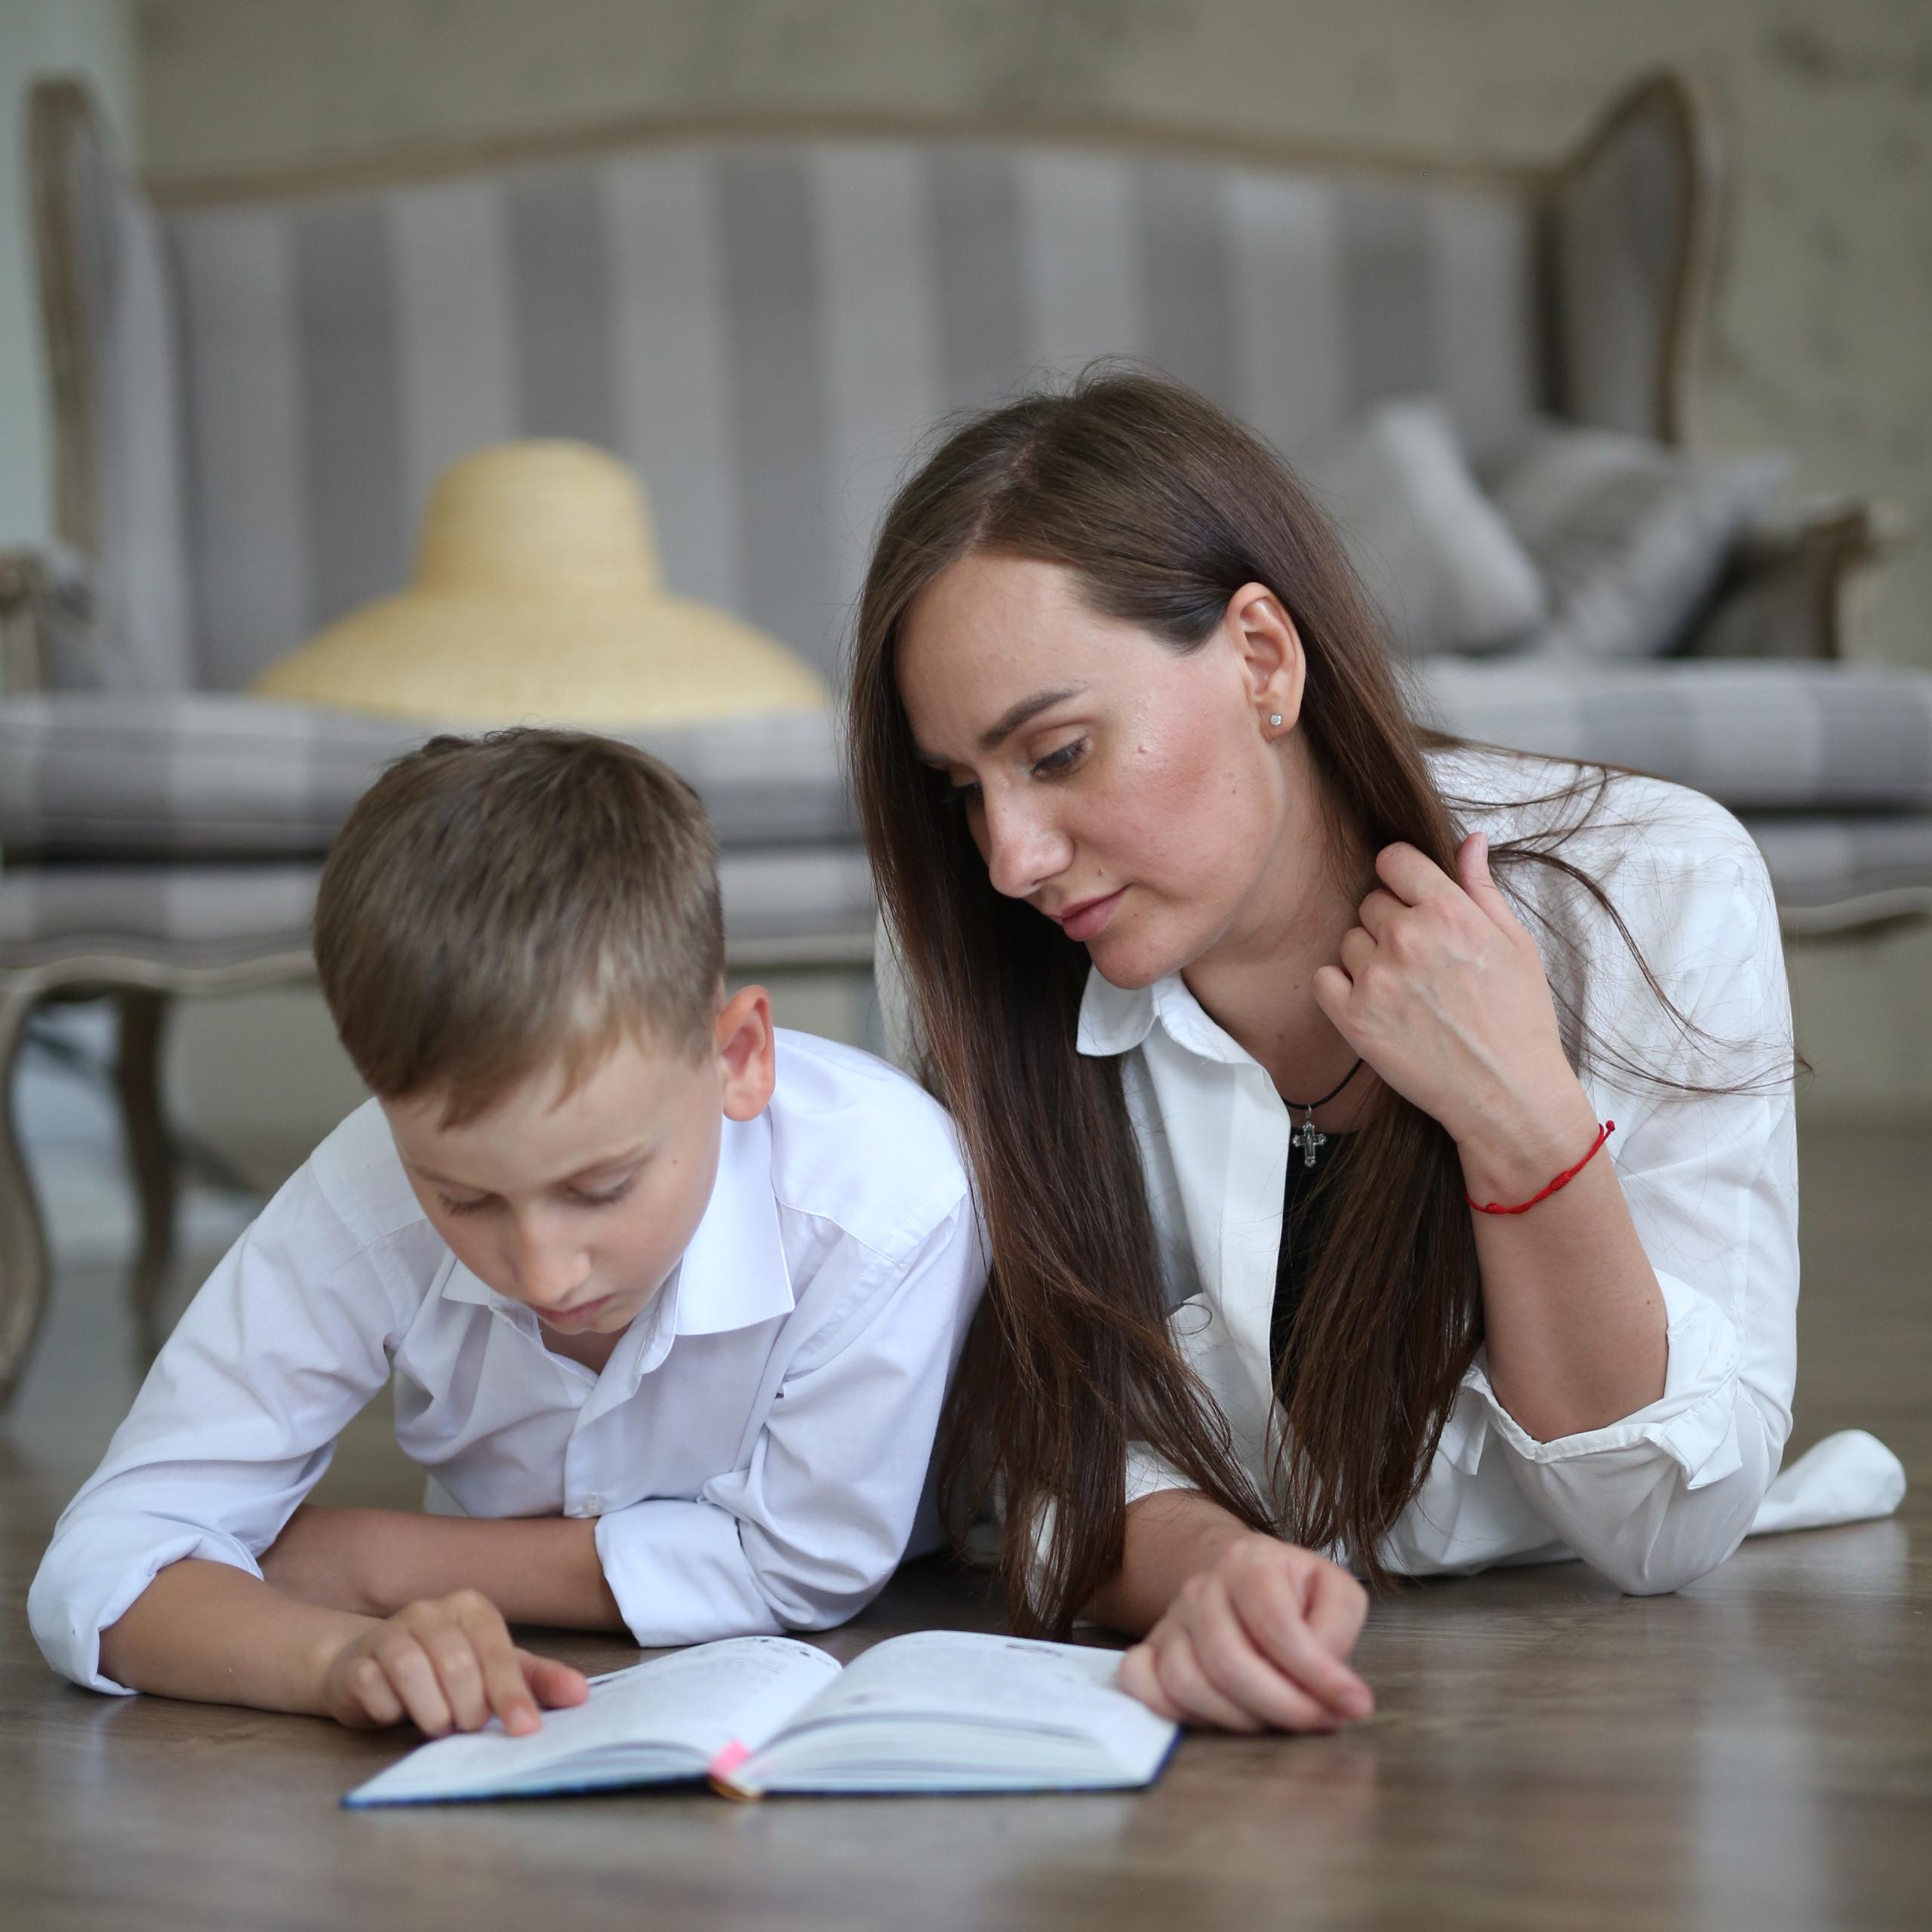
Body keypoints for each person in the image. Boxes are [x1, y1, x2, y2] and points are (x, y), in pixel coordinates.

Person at [848, 368, 1882, 1737]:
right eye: (959, 790)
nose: (1009, 859)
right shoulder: (961, 965)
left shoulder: (1654, 889)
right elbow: (1021, 1447)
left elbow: (1662, 1531)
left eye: (1058, 752)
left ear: (1263, 660)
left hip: (1587, 1736)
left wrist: (1518, 1116)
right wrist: (1217, 1573)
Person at [31, 730, 983, 1738]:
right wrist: (336, 1656)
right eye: (465, 1201)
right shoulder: (369, 1189)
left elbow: (805, 1563)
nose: (541, 1270)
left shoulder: (887, 1196)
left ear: (737, 1057)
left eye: (602, 1186)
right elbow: (103, 1563)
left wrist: (370, 1562)